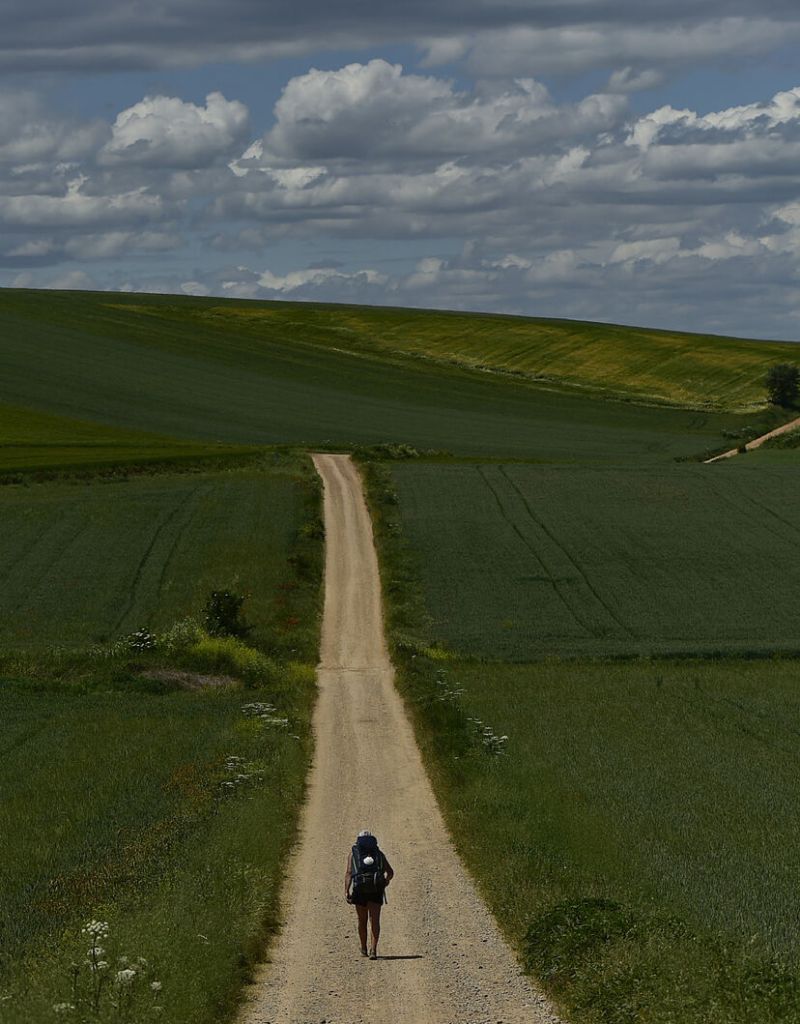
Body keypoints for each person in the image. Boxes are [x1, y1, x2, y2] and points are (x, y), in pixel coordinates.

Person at [345, 829, 394, 959]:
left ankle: (363, 948)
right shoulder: (379, 854)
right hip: (376, 890)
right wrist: (385, 882)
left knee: (362, 921)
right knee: (375, 921)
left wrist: (346, 891)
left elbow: (349, 873)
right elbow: (390, 872)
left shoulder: (353, 854)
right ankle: (373, 950)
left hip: (359, 890)